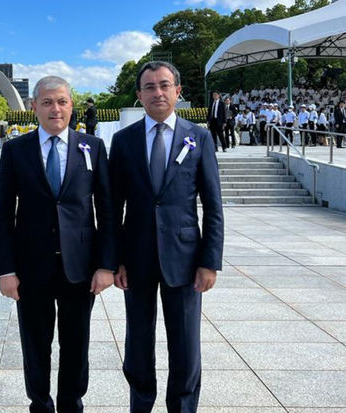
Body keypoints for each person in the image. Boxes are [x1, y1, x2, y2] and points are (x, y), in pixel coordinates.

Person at [0, 75, 115, 413]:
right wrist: (6, 270)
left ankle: (71, 404)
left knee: (76, 343)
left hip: (80, 267)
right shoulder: (15, 150)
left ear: (71, 105)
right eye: (47, 102)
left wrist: (106, 264)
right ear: (34, 106)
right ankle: (40, 404)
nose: (55, 109)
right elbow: (3, 215)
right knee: (35, 345)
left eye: (62, 101)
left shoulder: (92, 147)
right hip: (31, 267)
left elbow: (106, 210)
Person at [109, 61, 224, 413]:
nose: (157, 92)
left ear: (177, 91)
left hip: (185, 259)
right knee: (138, 344)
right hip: (137, 259)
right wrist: (115, 260)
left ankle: (183, 407)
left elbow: (213, 205)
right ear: (139, 95)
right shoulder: (123, 141)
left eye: (164, 85)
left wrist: (209, 262)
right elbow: (113, 208)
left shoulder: (198, 137)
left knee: (186, 346)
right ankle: (140, 405)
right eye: (149, 87)